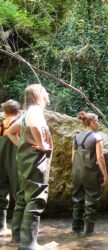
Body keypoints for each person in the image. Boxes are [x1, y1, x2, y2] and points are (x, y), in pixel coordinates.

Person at [7, 84, 53, 249]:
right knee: (36, 198)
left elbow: (10, 131)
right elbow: (34, 125)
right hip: (35, 160)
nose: (47, 93)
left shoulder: (27, 112)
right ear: (39, 95)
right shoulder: (35, 111)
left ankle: (17, 238)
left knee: (22, 196)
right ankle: (29, 244)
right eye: (45, 91)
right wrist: (41, 144)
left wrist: (21, 145)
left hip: (25, 159)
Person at [71, 111, 108, 235]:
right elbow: (100, 158)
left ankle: (76, 230)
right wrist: (105, 175)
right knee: (91, 202)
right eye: (97, 121)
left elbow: (72, 159)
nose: (98, 124)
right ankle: (89, 233)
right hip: (91, 174)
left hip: (76, 173)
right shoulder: (97, 137)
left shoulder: (75, 137)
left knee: (77, 201)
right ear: (92, 122)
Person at [0, 100, 20, 234]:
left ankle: (2, 227)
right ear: (18, 111)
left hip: (0, 161)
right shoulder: (19, 124)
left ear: (4, 111)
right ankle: (18, 230)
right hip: (16, 162)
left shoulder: (1, 124)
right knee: (19, 192)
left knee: (1, 192)